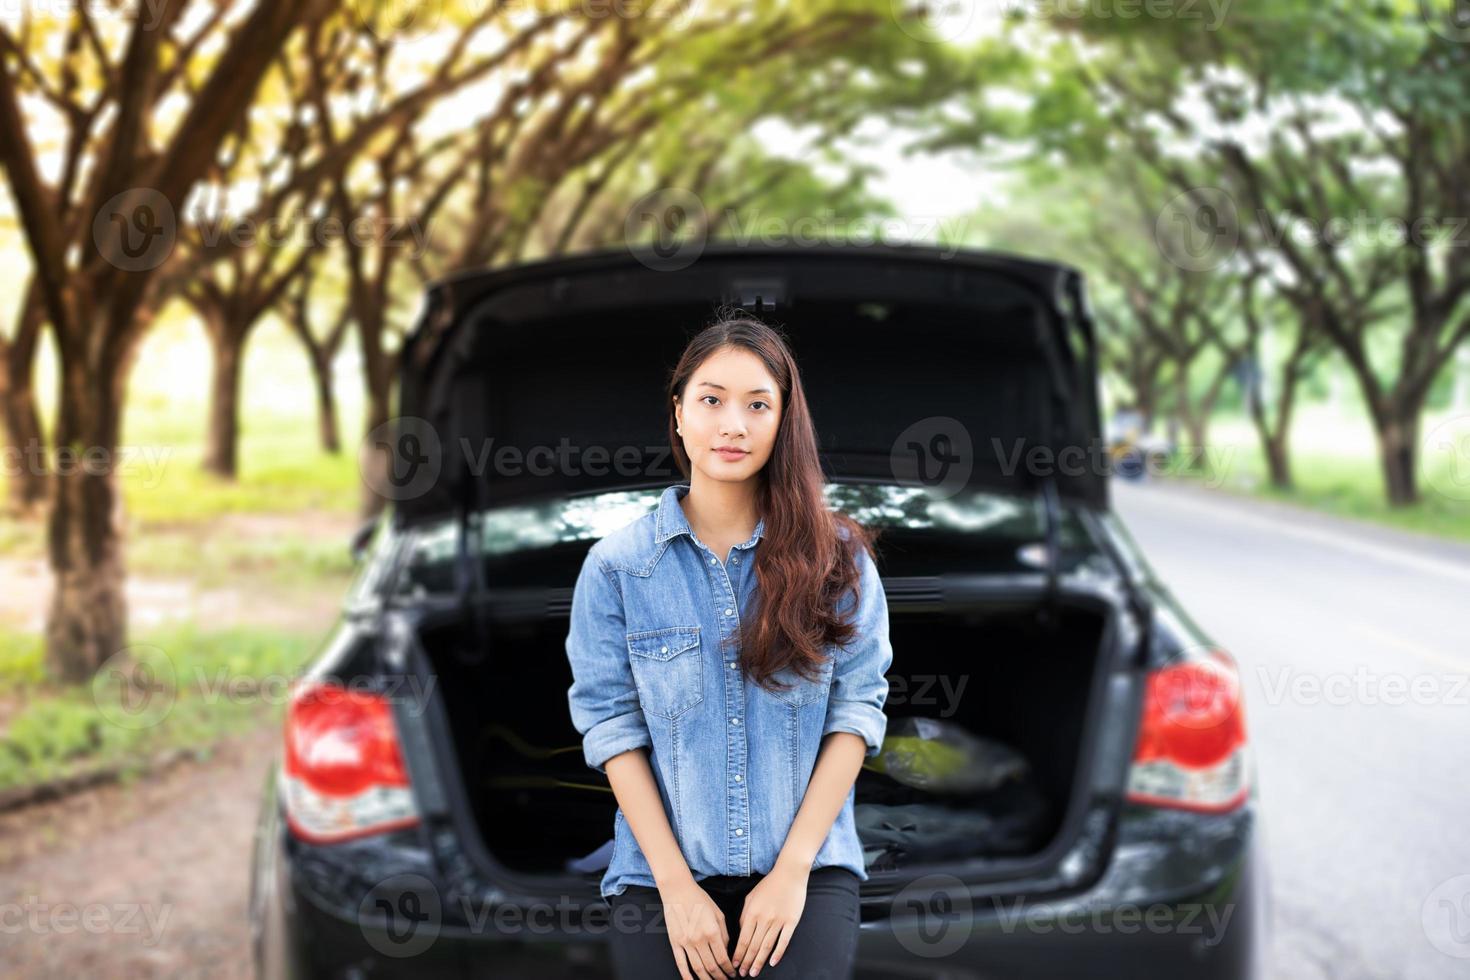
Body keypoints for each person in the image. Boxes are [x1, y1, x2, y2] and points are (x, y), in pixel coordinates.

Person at [564, 308, 893, 980]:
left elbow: (856, 712)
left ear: (783, 421)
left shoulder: (840, 560)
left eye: (757, 404)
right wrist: (678, 890)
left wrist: (792, 872)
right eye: (711, 400)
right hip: (660, 875)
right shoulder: (617, 567)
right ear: (679, 412)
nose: (733, 425)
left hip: (807, 868)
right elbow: (610, 727)